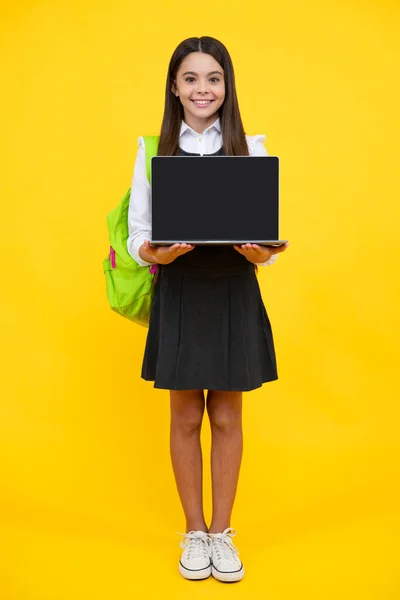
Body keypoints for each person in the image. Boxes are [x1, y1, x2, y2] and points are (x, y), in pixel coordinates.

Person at [127, 36, 289, 583]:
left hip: (231, 288)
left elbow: (264, 246)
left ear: (227, 85)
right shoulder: (153, 149)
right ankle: (193, 533)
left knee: (226, 416)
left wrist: (260, 251)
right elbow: (138, 238)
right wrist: (157, 252)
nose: (203, 89)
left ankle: (222, 534)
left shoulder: (253, 147)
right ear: (174, 86)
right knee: (184, 416)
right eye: (191, 78)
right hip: (181, 288)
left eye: (213, 78)